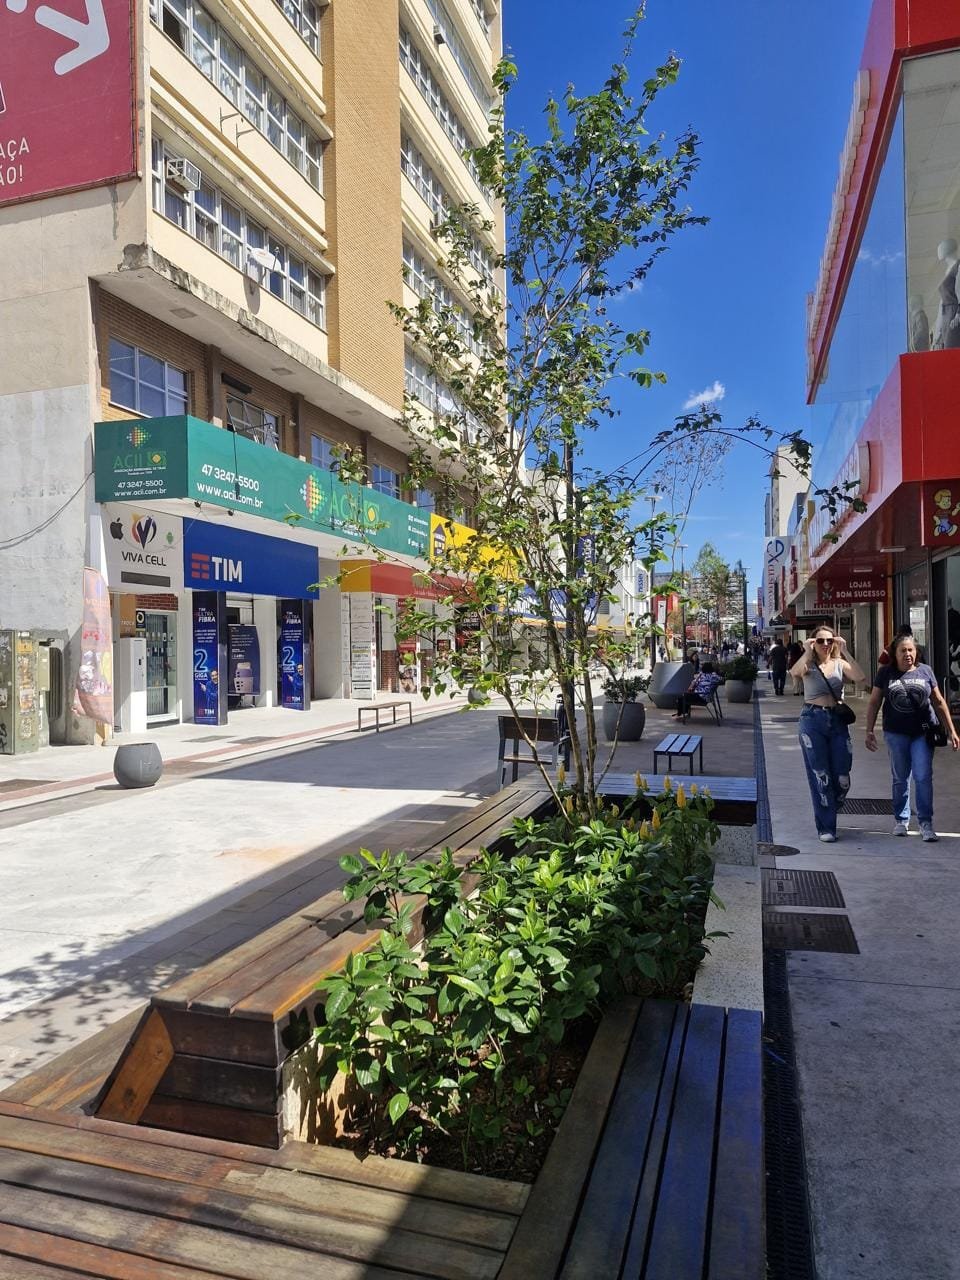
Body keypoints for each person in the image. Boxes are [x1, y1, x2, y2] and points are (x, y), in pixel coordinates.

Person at [865, 634, 959, 840]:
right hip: (896, 733)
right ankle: (901, 820)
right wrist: (869, 730)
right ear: (895, 653)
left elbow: (939, 701)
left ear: (916, 652)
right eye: (903, 650)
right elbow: (874, 702)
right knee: (900, 778)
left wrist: (951, 730)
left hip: (923, 734)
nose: (907, 654)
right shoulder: (885, 673)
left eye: (911, 650)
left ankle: (926, 823)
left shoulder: (925, 671)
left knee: (923, 776)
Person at [790, 627, 868, 843]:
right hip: (811, 719)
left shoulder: (839, 663)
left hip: (836, 720)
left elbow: (860, 677)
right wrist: (807, 650)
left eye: (829, 640)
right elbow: (795, 673)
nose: (826, 644)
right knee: (820, 776)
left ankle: (833, 804)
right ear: (814, 642)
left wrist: (844, 650)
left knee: (842, 777)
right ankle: (827, 827)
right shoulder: (808, 664)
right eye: (821, 640)